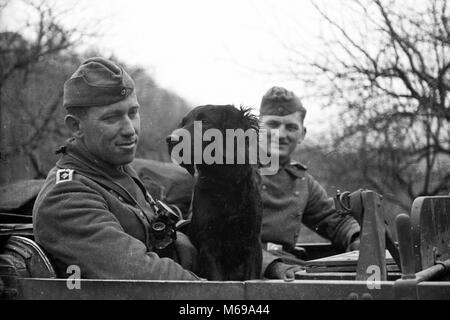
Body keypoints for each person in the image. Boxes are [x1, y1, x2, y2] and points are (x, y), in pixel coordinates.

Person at [33, 57, 200, 280]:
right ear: (76, 126)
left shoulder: (116, 171)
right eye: (112, 118)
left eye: (133, 113)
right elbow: (142, 275)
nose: (130, 129)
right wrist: (226, 294)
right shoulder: (65, 198)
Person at [258, 86, 361, 280]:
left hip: (286, 268)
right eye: (272, 124)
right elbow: (216, 239)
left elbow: (334, 220)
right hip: (242, 273)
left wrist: (357, 236)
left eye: (291, 127)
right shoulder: (232, 173)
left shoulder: (301, 181)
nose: (281, 135)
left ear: (302, 134)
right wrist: (271, 266)